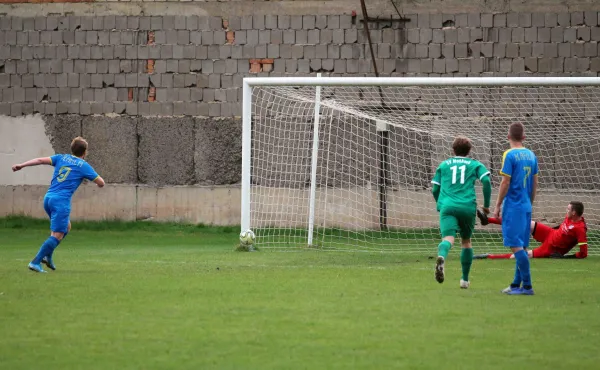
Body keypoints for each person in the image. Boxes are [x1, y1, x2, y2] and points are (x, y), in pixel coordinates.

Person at [12, 137, 105, 273]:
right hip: (61, 202)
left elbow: (39, 160)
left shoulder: (61, 158)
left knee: (66, 226)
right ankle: (35, 262)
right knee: (58, 234)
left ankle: (48, 256)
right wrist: (90, 178)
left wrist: (21, 165)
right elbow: (101, 182)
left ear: (72, 149)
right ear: (84, 152)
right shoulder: (83, 165)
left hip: (48, 199)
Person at [431, 136, 492, 289]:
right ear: (469, 151)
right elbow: (486, 181)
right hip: (467, 206)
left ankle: (441, 257)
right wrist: (486, 205)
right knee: (466, 241)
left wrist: (440, 203)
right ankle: (464, 280)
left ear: (453, 149)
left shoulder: (444, 165)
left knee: (448, 238)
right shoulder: (474, 164)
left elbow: (435, 188)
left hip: (448, 206)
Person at [494, 122, 538, 295]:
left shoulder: (509, 154)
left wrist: (497, 205)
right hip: (526, 205)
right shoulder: (531, 155)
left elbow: (505, 182)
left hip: (513, 206)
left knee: (515, 246)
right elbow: (535, 182)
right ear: (524, 137)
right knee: (522, 246)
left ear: (508, 137)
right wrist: (530, 202)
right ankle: (515, 285)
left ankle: (527, 286)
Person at [474, 201, 587, 259]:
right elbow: (562, 229)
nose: (565, 210)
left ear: (574, 212)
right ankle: (487, 220)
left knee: (520, 256)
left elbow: (583, 253)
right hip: (550, 233)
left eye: (568, 209)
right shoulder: (569, 217)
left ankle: (488, 256)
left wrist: (564, 257)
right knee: (522, 222)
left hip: (551, 249)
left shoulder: (580, 229)